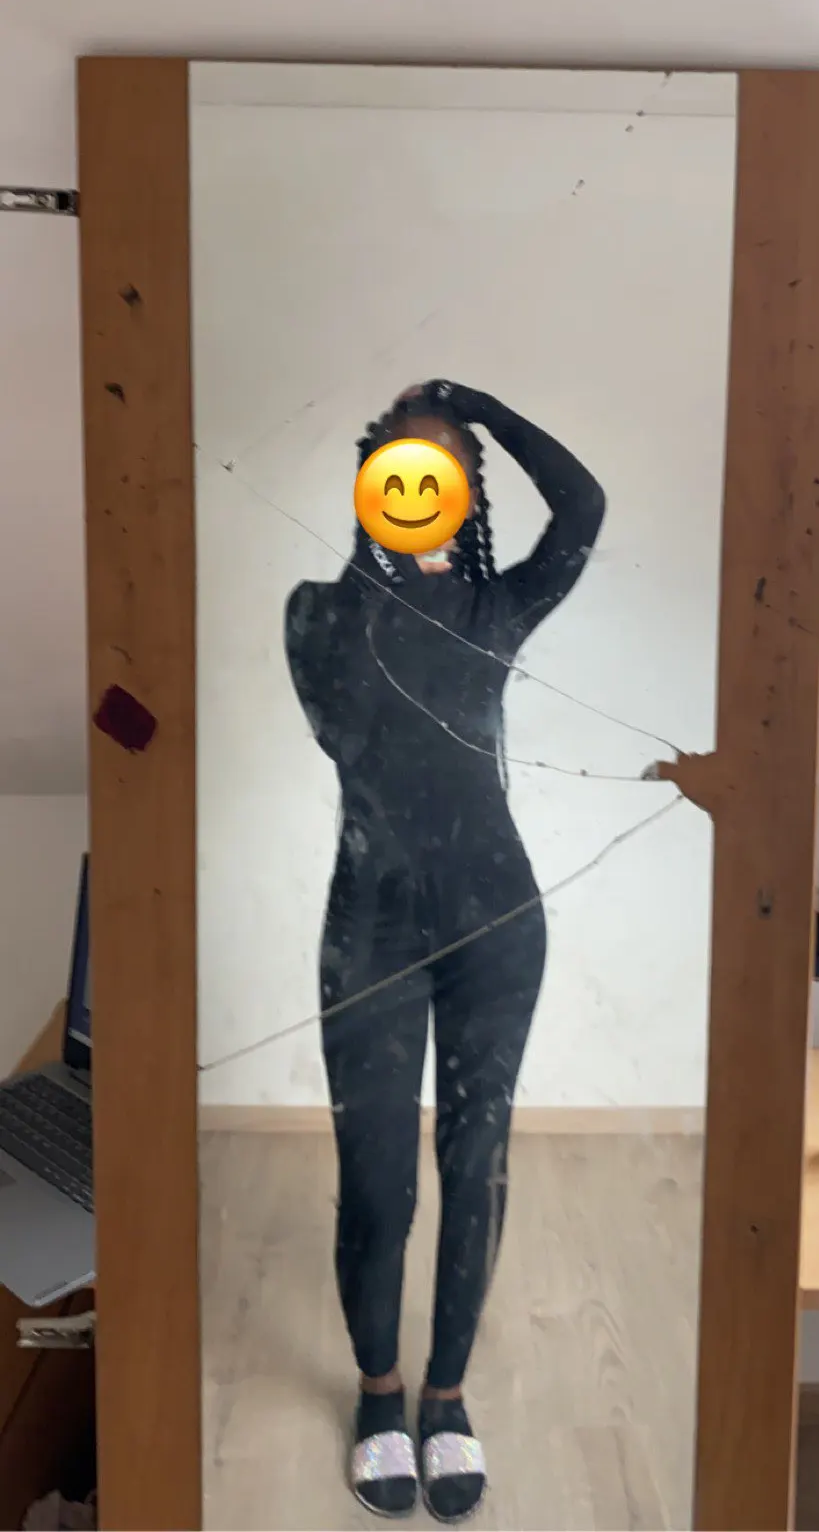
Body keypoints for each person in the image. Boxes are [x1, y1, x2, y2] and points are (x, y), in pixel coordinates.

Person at [285, 379, 605, 1522]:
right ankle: (379, 1391)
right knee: (377, 1180)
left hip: (496, 926)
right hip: (370, 929)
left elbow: (582, 508)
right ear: (371, 486)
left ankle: (448, 1395)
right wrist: (395, 567)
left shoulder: (500, 607)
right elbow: (346, 729)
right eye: (402, 469)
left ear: (467, 493)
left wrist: (481, 408)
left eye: (445, 473)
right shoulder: (316, 614)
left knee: (477, 1164)